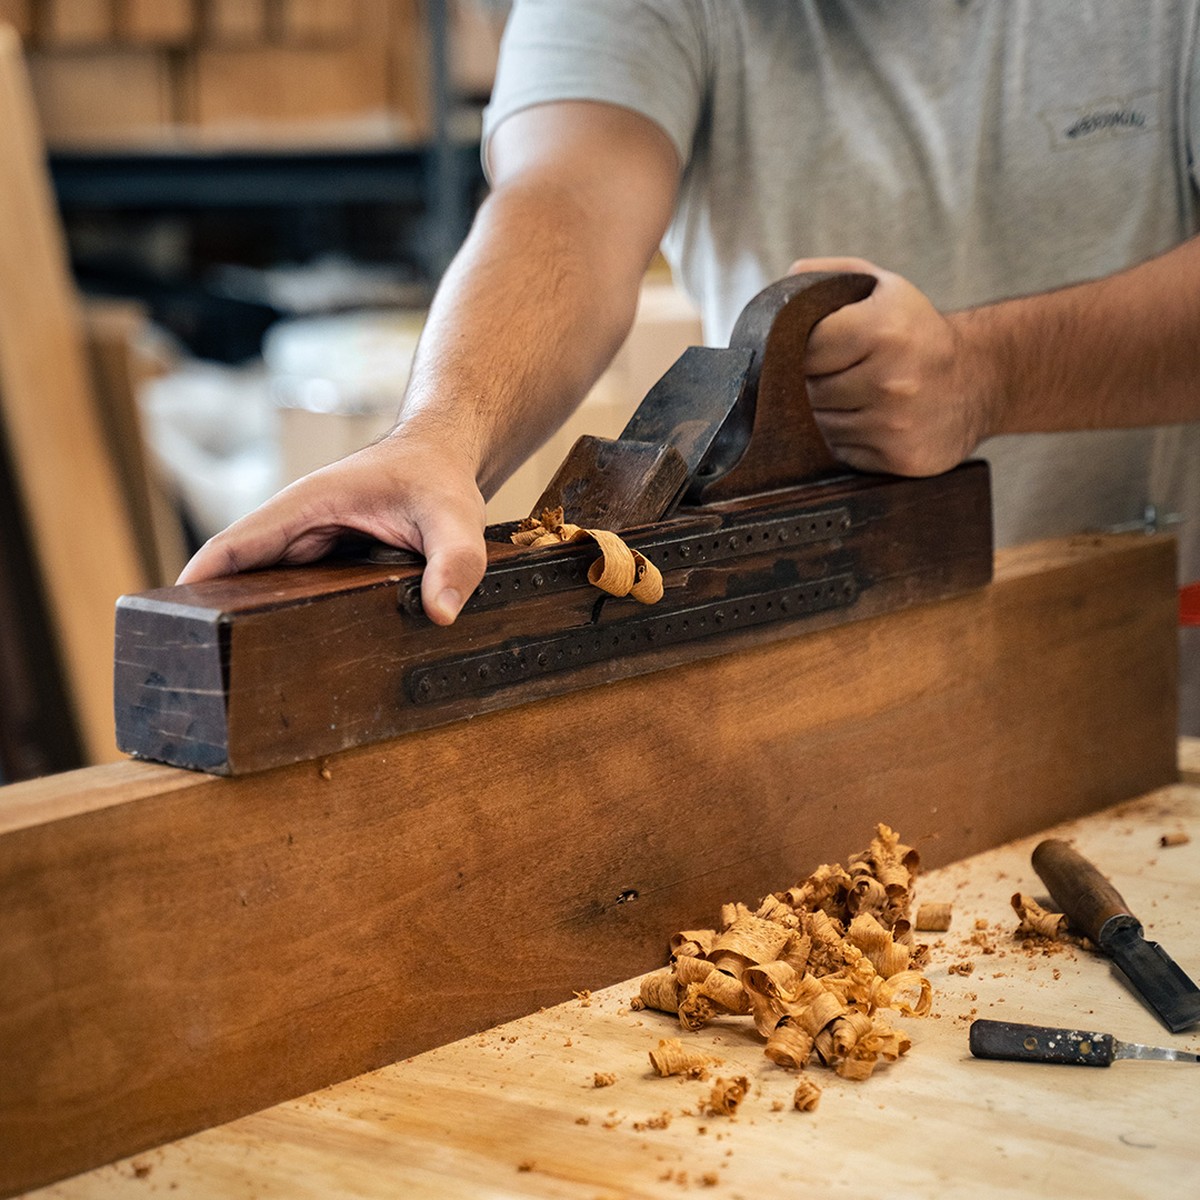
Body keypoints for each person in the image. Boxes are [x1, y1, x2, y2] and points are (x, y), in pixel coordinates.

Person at [178, 0, 1200, 722]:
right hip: (805, 667)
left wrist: (990, 375)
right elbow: (568, 197)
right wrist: (444, 429)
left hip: (1151, 676)